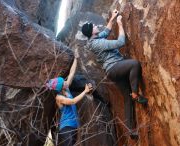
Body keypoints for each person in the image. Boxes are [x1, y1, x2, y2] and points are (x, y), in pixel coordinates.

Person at [81, 9, 148, 139]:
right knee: (134, 64)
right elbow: (120, 42)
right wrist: (120, 24)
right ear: (91, 32)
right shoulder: (98, 43)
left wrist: (112, 18)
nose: (95, 26)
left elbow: (106, 31)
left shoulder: (94, 39)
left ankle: (131, 131)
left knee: (126, 100)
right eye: (93, 26)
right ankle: (135, 93)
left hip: (114, 71)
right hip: (115, 68)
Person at [46, 49, 93, 146]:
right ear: (60, 87)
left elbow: (71, 73)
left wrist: (75, 58)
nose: (65, 82)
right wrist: (85, 91)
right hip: (66, 129)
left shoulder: (66, 88)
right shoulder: (59, 98)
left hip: (73, 127)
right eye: (63, 82)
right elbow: (72, 101)